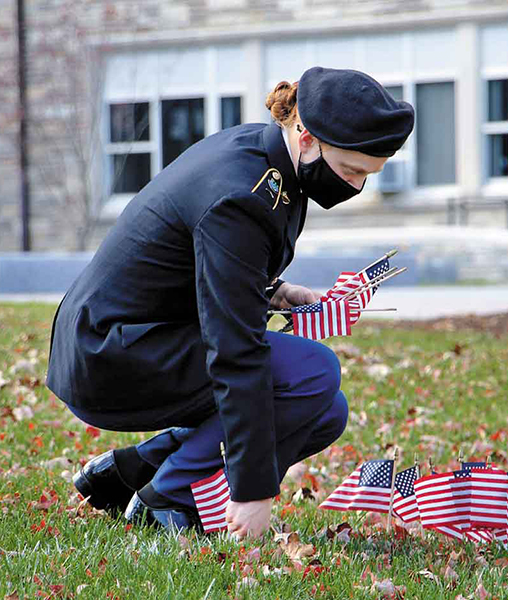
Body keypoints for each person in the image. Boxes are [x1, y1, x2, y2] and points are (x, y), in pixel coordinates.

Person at [46, 66, 415, 538]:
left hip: (136, 336)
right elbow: (235, 351)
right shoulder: (242, 195)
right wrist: (252, 489)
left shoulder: (264, 157)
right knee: (315, 373)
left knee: (327, 412)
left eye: (368, 175)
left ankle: (135, 470)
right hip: (110, 351)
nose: (357, 187)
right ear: (307, 137)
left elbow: (202, 265)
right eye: (351, 171)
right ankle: (168, 497)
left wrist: (275, 290)